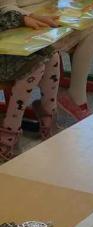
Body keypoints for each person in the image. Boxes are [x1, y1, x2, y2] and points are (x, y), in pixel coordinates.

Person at [0, 10, 61, 162]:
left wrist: (23, 18)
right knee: (35, 67)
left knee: (52, 55)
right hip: (5, 50)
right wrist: (21, 19)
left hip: (8, 42)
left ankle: (48, 116)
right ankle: (9, 132)